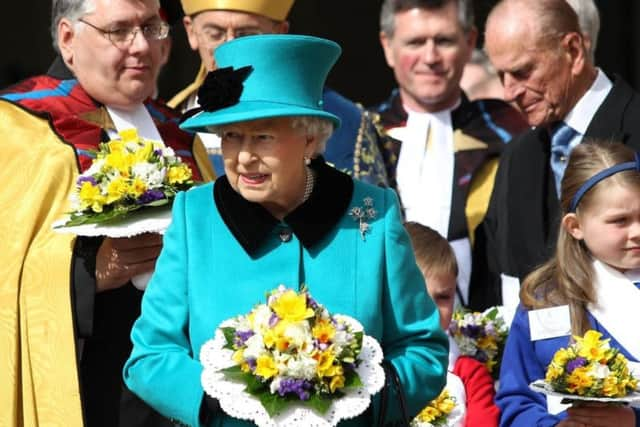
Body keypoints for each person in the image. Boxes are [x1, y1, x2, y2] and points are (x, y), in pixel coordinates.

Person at [123, 34, 449, 426]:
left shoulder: (372, 215)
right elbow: (150, 356)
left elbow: (422, 350)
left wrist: (357, 401)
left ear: (310, 137)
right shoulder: (195, 216)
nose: (244, 157)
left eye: (262, 136)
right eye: (231, 136)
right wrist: (222, 407)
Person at [0, 0, 214, 426]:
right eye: (119, 31)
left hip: (184, 386)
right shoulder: (18, 127)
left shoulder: (180, 134)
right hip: (88, 382)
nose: (141, 46)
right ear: (68, 39)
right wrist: (87, 274)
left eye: (151, 27)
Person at [469, 0, 640, 313]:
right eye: (501, 75)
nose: (510, 92)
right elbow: (493, 280)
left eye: (522, 72)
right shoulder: (516, 157)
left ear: (573, 51)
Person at [371, 0, 527, 307]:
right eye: (415, 42)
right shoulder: (362, 136)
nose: (430, 58)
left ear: (470, 43)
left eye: (444, 41)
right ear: (388, 46)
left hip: (490, 326)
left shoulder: (511, 130)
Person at [497, 141, 640, 426]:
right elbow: (517, 400)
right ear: (575, 226)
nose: (636, 231)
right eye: (620, 221)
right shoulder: (544, 299)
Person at [170, 0, 390, 186]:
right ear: (191, 31)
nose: (231, 48)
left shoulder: (346, 121)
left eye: (246, 35)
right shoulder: (166, 122)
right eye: (215, 34)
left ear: (280, 32)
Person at [406, 221, 500, 427]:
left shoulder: (470, 374)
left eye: (442, 297)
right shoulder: (366, 366)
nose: (431, 310)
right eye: (419, 296)